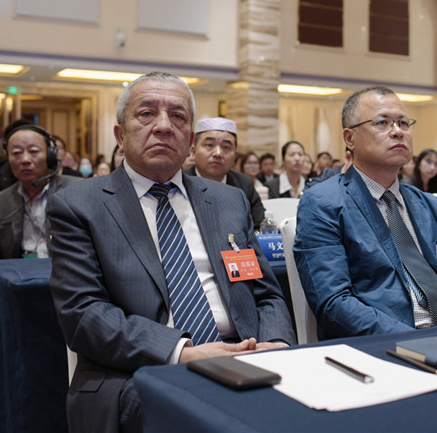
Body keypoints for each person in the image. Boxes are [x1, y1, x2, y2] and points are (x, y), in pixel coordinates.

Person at [48, 72, 295, 432]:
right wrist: (182, 353)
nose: (164, 126)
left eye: (178, 116)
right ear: (120, 135)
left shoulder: (228, 200)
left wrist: (274, 344)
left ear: (190, 140)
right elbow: (84, 313)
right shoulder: (79, 205)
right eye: (146, 114)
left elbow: (265, 293)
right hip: (142, 370)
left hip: (247, 355)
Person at [293, 85, 437, 340]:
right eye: (382, 122)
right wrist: (415, 342)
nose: (398, 131)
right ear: (349, 138)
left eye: (404, 123)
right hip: (387, 343)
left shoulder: (430, 206)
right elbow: (335, 303)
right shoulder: (324, 204)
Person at [0, 125, 81, 270]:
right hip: (20, 277)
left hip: (66, 276)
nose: (25, 159)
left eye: (34, 151)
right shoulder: (2, 200)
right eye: (16, 153)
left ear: (50, 155)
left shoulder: (76, 190)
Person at [186, 117, 265, 229]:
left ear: (235, 156)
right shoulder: (179, 181)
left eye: (226, 147)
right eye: (209, 145)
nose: (218, 153)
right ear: (193, 151)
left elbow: (260, 225)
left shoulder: (244, 184)